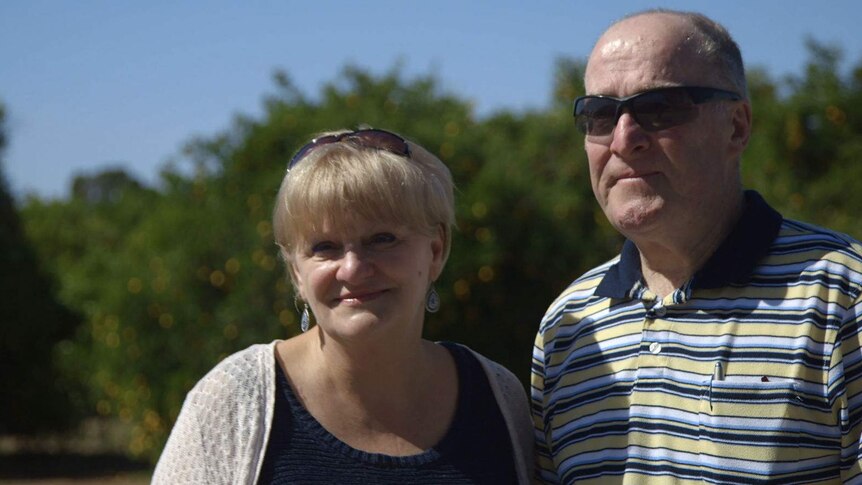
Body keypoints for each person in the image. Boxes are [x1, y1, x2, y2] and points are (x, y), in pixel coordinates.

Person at [531, 9, 862, 484]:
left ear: (737, 126)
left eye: (660, 108)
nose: (624, 139)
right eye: (600, 114)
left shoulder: (842, 298)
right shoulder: (568, 327)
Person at [152, 128, 533, 484]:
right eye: (324, 247)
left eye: (382, 239)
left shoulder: (498, 399)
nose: (352, 268)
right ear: (296, 272)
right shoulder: (233, 402)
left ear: (436, 250)